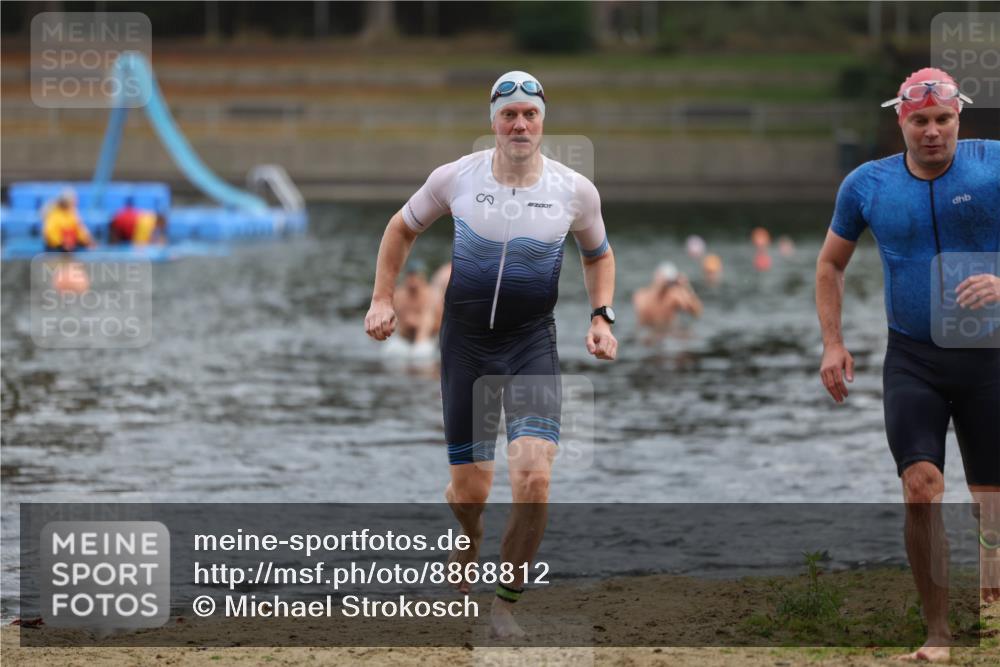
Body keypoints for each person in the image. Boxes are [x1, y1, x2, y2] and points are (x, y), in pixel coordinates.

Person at [364, 70, 617, 639]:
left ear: (543, 120)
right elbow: (400, 230)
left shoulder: (573, 190)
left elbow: (599, 255)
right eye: (509, 115)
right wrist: (382, 298)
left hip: (530, 342)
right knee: (471, 493)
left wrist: (601, 315)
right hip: (466, 346)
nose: (520, 124)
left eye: (530, 114)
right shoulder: (455, 178)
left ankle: (504, 604)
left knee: (533, 479)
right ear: (494, 122)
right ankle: (470, 534)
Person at [815, 68, 999, 663]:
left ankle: (992, 618)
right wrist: (833, 343)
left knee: (990, 504)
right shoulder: (868, 186)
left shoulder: (992, 165)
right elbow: (829, 267)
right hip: (912, 358)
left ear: (957, 120)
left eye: (942, 120)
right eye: (919, 121)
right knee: (921, 488)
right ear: (901, 122)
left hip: (988, 357)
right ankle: (938, 635)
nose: (931, 132)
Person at [633, 261, 703, 329]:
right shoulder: (641, 295)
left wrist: (687, 287)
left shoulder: (674, 296)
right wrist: (660, 287)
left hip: (668, 332)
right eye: (663, 278)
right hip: (648, 331)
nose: (665, 284)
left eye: (668, 281)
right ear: (656, 276)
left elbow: (697, 312)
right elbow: (644, 315)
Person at [392, 259, 440, 344]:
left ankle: (420, 345)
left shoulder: (432, 295)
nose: (412, 279)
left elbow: (439, 324)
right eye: (410, 275)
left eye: (415, 275)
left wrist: (418, 322)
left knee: (427, 319)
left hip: (427, 336)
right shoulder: (398, 296)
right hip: (404, 337)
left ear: (422, 277)